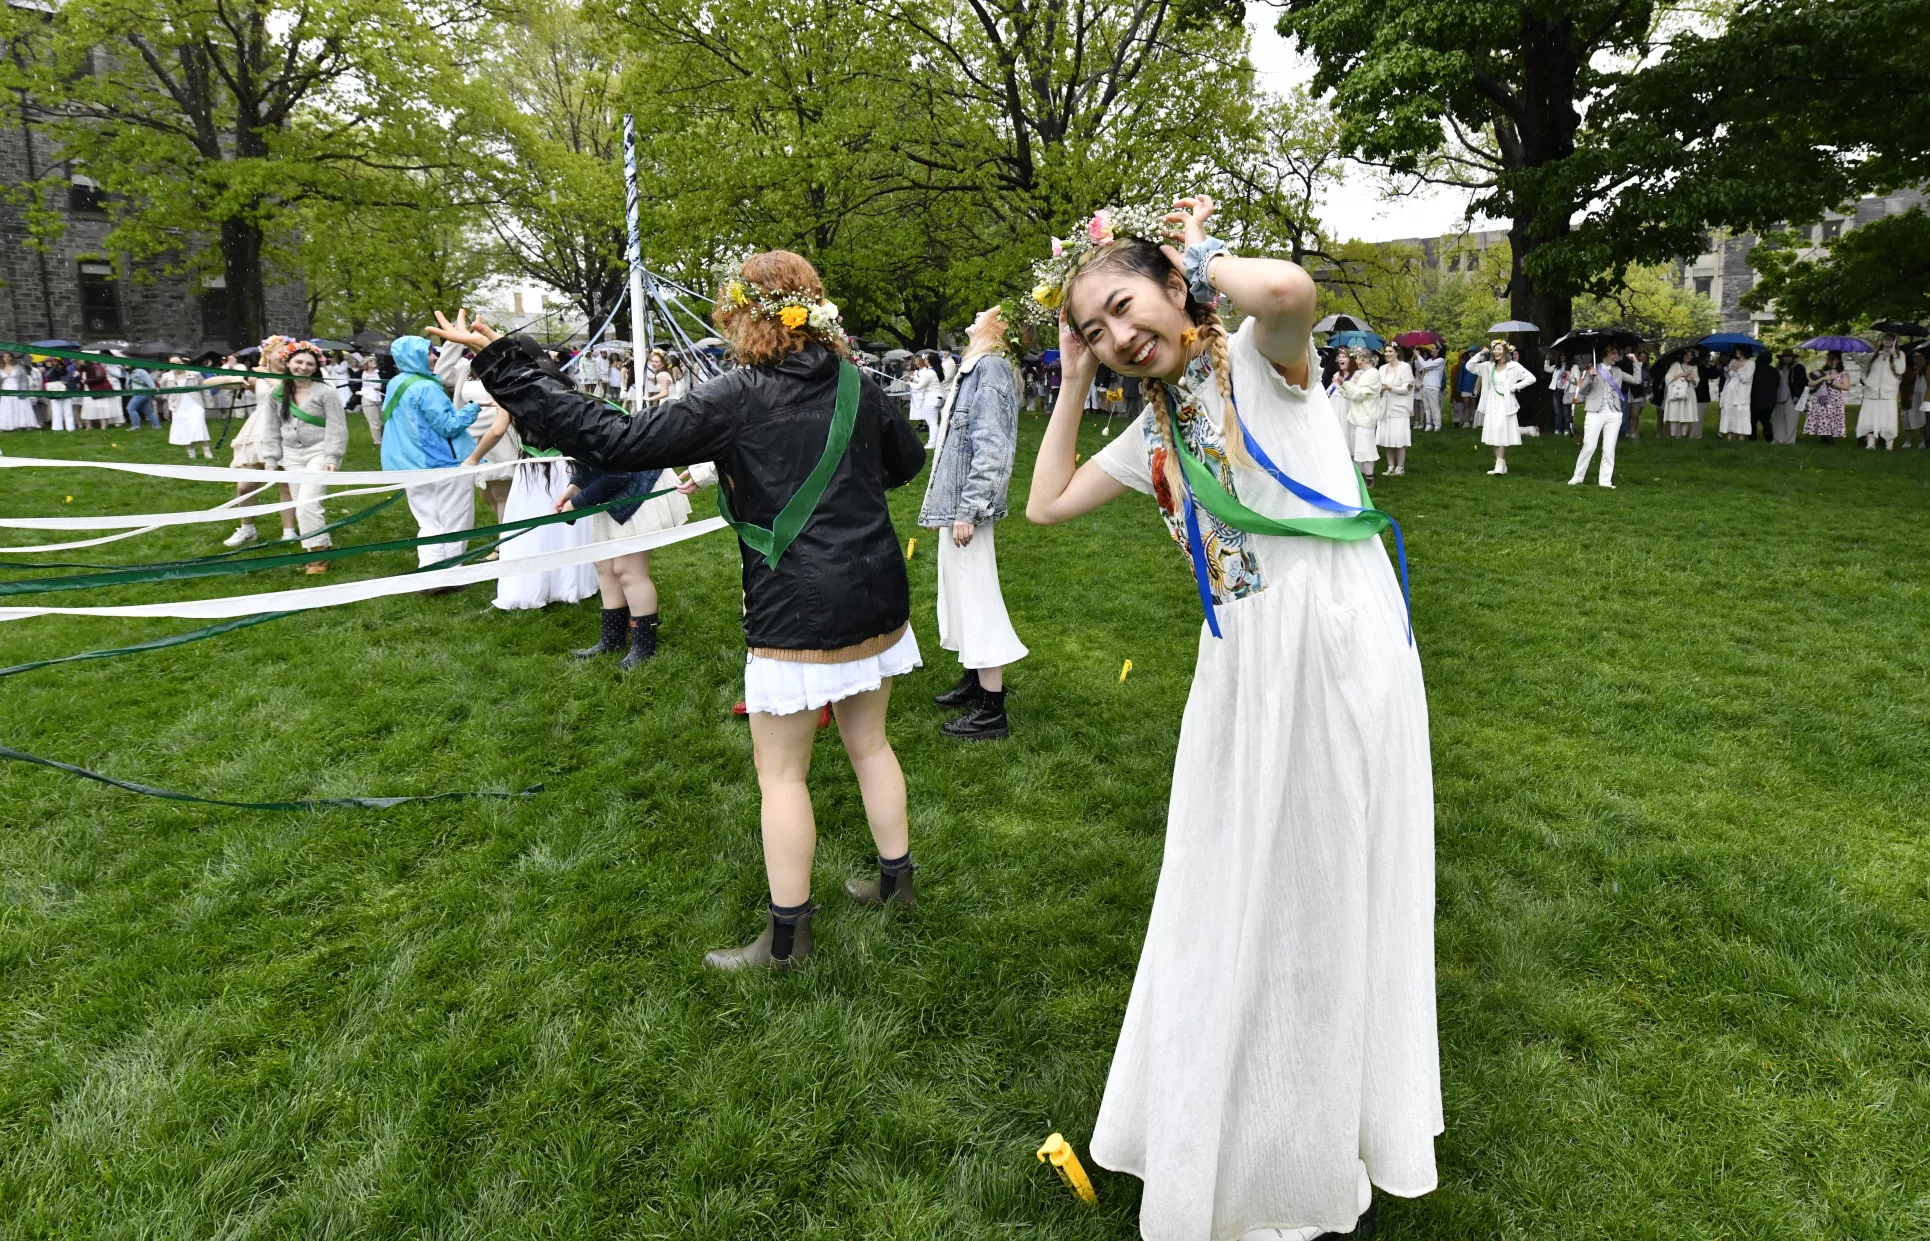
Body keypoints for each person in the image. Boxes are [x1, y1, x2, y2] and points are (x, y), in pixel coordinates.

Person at [1024, 195, 1436, 1241]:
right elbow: (1045, 503)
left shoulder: (1260, 359)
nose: (1120, 338)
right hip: (1244, 665)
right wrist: (1075, 383)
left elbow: (1292, 291)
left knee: (1320, 882)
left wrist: (1197, 254)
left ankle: (1305, 1141)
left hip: (1331, 647)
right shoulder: (1153, 424)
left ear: (1174, 287)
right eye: (1094, 331)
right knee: (1230, 881)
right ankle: (1230, 1109)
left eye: (1124, 308)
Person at [440, 249, 927, 972]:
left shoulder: (736, 395)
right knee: (871, 744)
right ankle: (898, 885)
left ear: (740, 314)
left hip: (798, 603)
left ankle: (788, 941)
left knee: (782, 774)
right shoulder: (854, 381)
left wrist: (509, 366)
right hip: (878, 590)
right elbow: (905, 461)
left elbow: (615, 439)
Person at [917, 302, 1028, 740]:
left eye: (980, 316)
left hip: (969, 510)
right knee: (959, 597)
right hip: (958, 507)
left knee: (978, 602)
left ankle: (991, 710)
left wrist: (971, 509)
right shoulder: (975, 367)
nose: (970, 320)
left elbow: (993, 445)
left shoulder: (992, 368)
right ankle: (974, 678)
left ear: (997, 328)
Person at [382, 334, 481, 580]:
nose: (434, 356)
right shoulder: (426, 387)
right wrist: (473, 407)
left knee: (428, 520)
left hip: (407, 464)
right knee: (455, 518)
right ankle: (451, 573)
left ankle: (430, 570)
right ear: (414, 356)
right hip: (442, 462)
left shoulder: (396, 383)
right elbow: (449, 425)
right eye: (428, 352)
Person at [258, 341, 349, 574]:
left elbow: (337, 427)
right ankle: (319, 547)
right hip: (291, 455)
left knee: (309, 503)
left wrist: (332, 456)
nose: (303, 367)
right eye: (298, 362)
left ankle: (317, 555)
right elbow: (270, 427)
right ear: (288, 363)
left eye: (309, 364)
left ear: (316, 367)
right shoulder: (276, 393)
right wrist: (270, 460)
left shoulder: (325, 392)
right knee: (300, 505)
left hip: (319, 451)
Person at [215, 338, 293, 547]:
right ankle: (247, 529)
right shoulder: (255, 377)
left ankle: (289, 532)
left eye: (289, 352)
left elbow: (285, 393)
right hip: (258, 429)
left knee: (285, 483)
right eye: (281, 351)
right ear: (268, 353)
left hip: (285, 429)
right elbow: (221, 383)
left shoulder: (294, 376)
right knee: (245, 485)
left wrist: (262, 374)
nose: (286, 355)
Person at [1471, 340, 1535, 474]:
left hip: (1505, 403)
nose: (1496, 352)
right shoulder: (1489, 366)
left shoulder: (1514, 366)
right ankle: (1500, 463)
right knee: (1494, 431)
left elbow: (1531, 378)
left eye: (1499, 349)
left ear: (1505, 351)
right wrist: (1480, 354)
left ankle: (1500, 463)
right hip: (1491, 402)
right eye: (1495, 349)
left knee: (1500, 429)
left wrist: (1515, 387)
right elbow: (1470, 367)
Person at [1568, 346, 1627, 488]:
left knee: (1609, 449)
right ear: (1604, 354)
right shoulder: (1591, 369)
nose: (1616, 356)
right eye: (1613, 353)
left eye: (1617, 354)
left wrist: (1636, 363)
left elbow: (1636, 380)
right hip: (1595, 413)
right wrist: (1590, 377)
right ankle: (1577, 478)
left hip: (1614, 413)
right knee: (1589, 446)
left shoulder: (1618, 371)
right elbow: (1581, 391)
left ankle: (1605, 482)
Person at [1337, 345, 1383, 485]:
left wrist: (1345, 384)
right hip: (1359, 415)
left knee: (1366, 449)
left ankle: (1369, 479)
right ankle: (1362, 477)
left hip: (1366, 416)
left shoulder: (1372, 374)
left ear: (1362, 358)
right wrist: (1343, 389)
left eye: (1357, 357)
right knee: (1360, 448)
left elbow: (1359, 394)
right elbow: (1354, 393)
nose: (1355, 360)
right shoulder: (1363, 373)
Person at [1856, 336, 1904, 449]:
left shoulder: (1900, 354)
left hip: (1888, 394)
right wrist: (1867, 382)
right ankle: (1871, 442)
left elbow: (1901, 370)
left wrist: (1895, 356)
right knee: (1870, 418)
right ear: (1882, 341)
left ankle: (1889, 443)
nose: (1888, 340)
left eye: (1890, 338)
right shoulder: (1874, 355)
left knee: (1888, 419)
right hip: (1871, 393)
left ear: (1894, 341)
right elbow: (1864, 371)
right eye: (1886, 338)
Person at [162, 358, 213, 458]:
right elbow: (163, 390)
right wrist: (170, 400)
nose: (176, 364)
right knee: (183, 429)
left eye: (178, 362)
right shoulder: (166, 377)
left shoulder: (194, 374)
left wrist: (208, 403)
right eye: (173, 363)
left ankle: (207, 452)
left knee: (199, 427)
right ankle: (191, 453)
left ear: (182, 363)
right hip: (178, 407)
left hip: (195, 404)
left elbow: (205, 388)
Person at [1376, 343, 1413, 475]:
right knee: (1387, 438)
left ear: (1397, 352)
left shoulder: (1405, 367)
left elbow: (1407, 388)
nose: (1387, 354)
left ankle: (1400, 467)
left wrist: (1390, 388)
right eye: (1386, 351)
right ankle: (1390, 465)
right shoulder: (1381, 369)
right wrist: (1380, 391)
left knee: (1399, 438)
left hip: (1399, 408)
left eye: (1390, 351)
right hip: (1384, 408)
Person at [1804, 353, 1851, 443]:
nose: (1828, 360)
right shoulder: (1822, 372)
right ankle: (1827, 438)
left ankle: (1827, 439)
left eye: (1831, 358)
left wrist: (1832, 381)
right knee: (1823, 417)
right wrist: (1822, 379)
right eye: (1828, 358)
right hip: (1821, 397)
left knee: (1831, 418)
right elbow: (1810, 383)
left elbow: (1846, 387)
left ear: (1838, 360)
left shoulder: (1843, 373)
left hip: (1835, 399)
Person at [1718, 347, 1755, 439]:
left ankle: (1741, 439)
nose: (1737, 352)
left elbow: (1746, 379)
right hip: (1729, 391)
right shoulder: (1733, 361)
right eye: (1736, 350)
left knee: (1741, 415)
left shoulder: (1751, 363)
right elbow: (1729, 376)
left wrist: (1739, 368)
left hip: (1741, 394)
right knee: (1728, 413)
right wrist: (1727, 371)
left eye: (1739, 350)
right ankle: (1729, 437)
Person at [78, 357, 122, 429]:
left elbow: (100, 377)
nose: (78, 361)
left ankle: (103, 426)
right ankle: (89, 426)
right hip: (89, 390)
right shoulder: (83, 369)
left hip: (98, 390)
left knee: (102, 408)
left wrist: (87, 381)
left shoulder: (96, 366)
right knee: (88, 408)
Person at [1773, 351, 1806, 445]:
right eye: (1785, 356)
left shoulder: (1798, 367)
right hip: (1779, 395)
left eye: (1789, 356)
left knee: (1791, 420)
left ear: (1793, 357)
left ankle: (1789, 441)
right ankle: (1778, 439)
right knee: (1779, 419)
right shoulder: (1778, 368)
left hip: (1791, 396)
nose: (1787, 358)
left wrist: (1797, 395)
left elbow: (1802, 382)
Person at [907, 353, 942, 443]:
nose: (924, 361)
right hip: (933, 397)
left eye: (926, 359)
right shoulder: (930, 371)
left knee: (932, 422)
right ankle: (935, 441)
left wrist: (910, 383)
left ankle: (933, 442)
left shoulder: (928, 372)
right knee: (932, 422)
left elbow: (919, 386)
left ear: (929, 361)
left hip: (931, 397)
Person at [1663, 351, 1699, 436]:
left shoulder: (1694, 367)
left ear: (1693, 357)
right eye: (1686, 354)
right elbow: (1668, 378)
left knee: (1685, 416)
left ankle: (1683, 437)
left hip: (1688, 393)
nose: (1688, 356)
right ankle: (1672, 436)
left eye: (1690, 355)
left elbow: (1696, 381)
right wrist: (1683, 374)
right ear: (1682, 356)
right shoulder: (1675, 365)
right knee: (1674, 414)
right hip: (1676, 392)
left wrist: (1690, 379)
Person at [0, 353, 38, 431]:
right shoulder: (1, 368)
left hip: (18, 388)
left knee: (21, 405)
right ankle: (7, 425)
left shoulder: (18, 367)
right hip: (5, 389)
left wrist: (24, 390)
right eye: (5, 357)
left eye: (8, 357)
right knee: (7, 407)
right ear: (2, 358)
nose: (7, 358)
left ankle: (23, 424)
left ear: (11, 358)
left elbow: (24, 379)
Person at [1899, 350, 1927, 449]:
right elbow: (1904, 381)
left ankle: (1923, 440)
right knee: (1908, 419)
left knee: (1923, 418)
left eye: (1919, 356)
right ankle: (1907, 441)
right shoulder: (1907, 369)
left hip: (1922, 397)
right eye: (1915, 356)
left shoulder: (1926, 370)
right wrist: (1915, 372)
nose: (1917, 359)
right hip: (1908, 397)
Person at [1415, 344, 1445, 432]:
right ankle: (1428, 424)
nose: (1431, 350)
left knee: (1434, 407)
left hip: (1433, 386)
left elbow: (1426, 366)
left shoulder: (1440, 360)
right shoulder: (1430, 360)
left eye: (1433, 348)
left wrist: (1418, 355)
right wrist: (1417, 358)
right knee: (1426, 407)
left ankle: (1437, 425)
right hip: (1426, 386)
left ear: (1438, 350)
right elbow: (1421, 367)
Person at [357, 352, 385, 444]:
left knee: (383, 421)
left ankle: (385, 439)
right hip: (367, 399)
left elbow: (387, 384)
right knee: (374, 422)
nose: (374, 362)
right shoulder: (361, 374)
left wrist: (381, 388)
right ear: (366, 364)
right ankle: (378, 442)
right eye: (371, 361)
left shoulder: (381, 373)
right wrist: (357, 391)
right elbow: (353, 383)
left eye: (374, 361)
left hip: (380, 398)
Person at [124, 361, 161, 429]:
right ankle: (157, 426)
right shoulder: (128, 373)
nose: (126, 365)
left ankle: (136, 425)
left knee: (130, 408)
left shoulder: (141, 371)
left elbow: (149, 382)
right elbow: (128, 384)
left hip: (142, 392)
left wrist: (154, 392)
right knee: (148, 411)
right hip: (137, 393)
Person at [41, 359, 75, 432]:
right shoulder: (52, 373)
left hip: (66, 394)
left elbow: (71, 382)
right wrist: (53, 368)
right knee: (57, 412)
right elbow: (47, 375)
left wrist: (65, 383)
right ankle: (57, 428)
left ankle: (70, 428)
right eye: (56, 365)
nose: (58, 367)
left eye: (59, 365)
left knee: (68, 412)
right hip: (56, 394)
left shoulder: (67, 373)